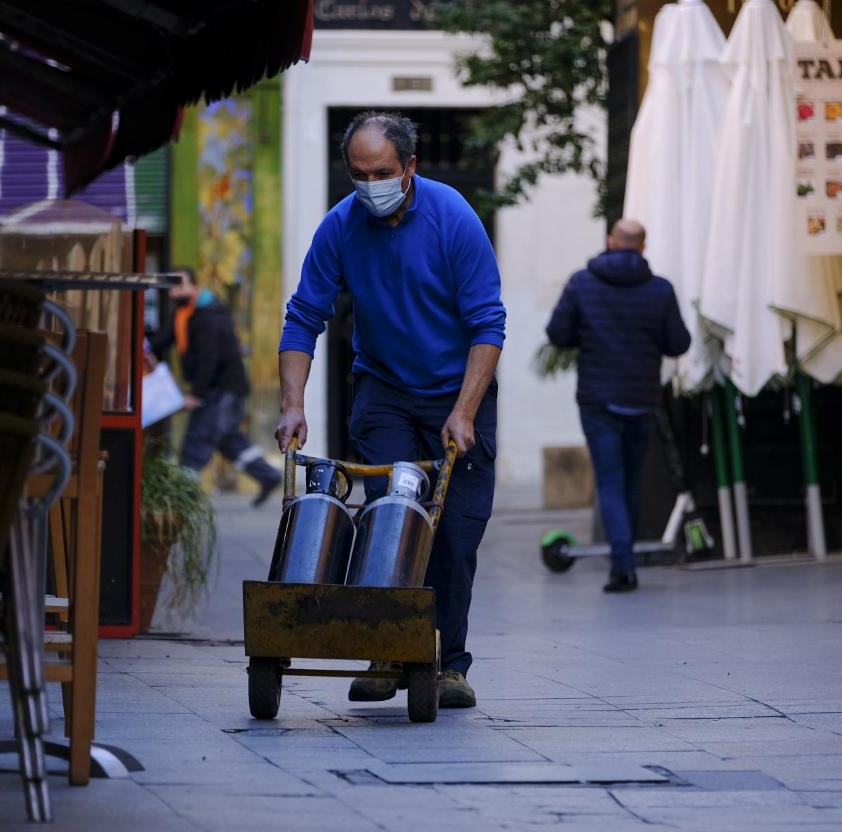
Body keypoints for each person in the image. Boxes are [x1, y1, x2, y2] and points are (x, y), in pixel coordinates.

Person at [276, 111, 506, 708]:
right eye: (358, 173)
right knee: (391, 517)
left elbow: (488, 324)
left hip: (459, 392)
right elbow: (305, 316)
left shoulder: (453, 218)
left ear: (409, 168)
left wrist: (463, 412)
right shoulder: (340, 226)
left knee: (453, 534)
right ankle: (387, 651)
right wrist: (292, 404)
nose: (370, 183)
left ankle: (448, 664)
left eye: (382, 171)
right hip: (382, 390)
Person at [546, 219, 692, 593]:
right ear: (642, 246)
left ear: (611, 242)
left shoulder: (582, 283)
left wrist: (588, 331)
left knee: (609, 481)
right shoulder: (660, 290)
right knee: (630, 480)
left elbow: (557, 334)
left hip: (597, 399)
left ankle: (623, 567)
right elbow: (678, 343)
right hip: (642, 398)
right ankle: (626, 560)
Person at [150, 267, 282, 505]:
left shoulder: (209, 316)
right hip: (220, 389)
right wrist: (145, 346)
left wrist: (195, 394)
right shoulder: (184, 313)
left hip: (222, 389)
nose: (175, 291)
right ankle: (268, 475)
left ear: (194, 286)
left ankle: (183, 501)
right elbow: (166, 338)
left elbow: (208, 359)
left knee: (196, 442)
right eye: (172, 287)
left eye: (180, 285)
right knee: (228, 440)